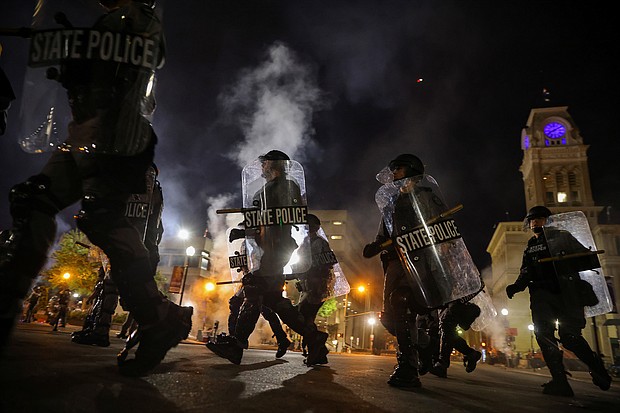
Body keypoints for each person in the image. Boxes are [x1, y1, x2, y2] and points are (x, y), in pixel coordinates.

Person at [0, 1, 192, 376]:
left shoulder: (137, 15)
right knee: (33, 199)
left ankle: (158, 317)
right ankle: (7, 300)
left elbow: (130, 70)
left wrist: (83, 51)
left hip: (114, 133)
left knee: (101, 219)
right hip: (83, 131)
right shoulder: (116, 19)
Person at [206, 150, 329, 366]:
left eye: (266, 163)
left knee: (254, 290)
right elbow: (259, 220)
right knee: (274, 299)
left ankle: (237, 344)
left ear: (275, 165)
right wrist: (245, 230)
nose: (262, 167)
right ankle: (314, 337)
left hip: (277, 247)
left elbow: (281, 219)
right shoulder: (267, 189)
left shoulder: (287, 185)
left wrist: (247, 232)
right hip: (268, 248)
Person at [506, 205, 612, 396]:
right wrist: (516, 286)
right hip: (541, 298)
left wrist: (565, 259)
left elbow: (585, 259)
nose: (535, 222)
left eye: (540, 218)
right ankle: (560, 381)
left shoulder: (562, 237)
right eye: (532, 220)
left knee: (570, 337)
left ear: (549, 220)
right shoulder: (530, 247)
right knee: (544, 336)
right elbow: (526, 271)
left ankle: (598, 369)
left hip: (567, 294)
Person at [363, 153, 431, 388]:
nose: (394, 174)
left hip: (417, 261)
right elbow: (384, 233)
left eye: (399, 169)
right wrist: (375, 245)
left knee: (401, 302)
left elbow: (441, 232)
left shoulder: (426, 198)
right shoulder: (391, 203)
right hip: (393, 263)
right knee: (390, 318)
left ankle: (408, 368)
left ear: (411, 171)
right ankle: (425, 344)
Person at [294, 214, 335, 357]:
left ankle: (317, 343)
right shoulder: (307, 242)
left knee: (303, 316)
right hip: (309, 287)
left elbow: (323, 265)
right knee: (306, 318)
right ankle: (318, 351)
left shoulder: (318, 243)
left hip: (315, 288)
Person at [429, 299, 482, 377]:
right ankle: (471, 354)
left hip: (454, 306)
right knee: (447, 332)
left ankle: (442, 364)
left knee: (446, 329)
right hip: (451, 305)